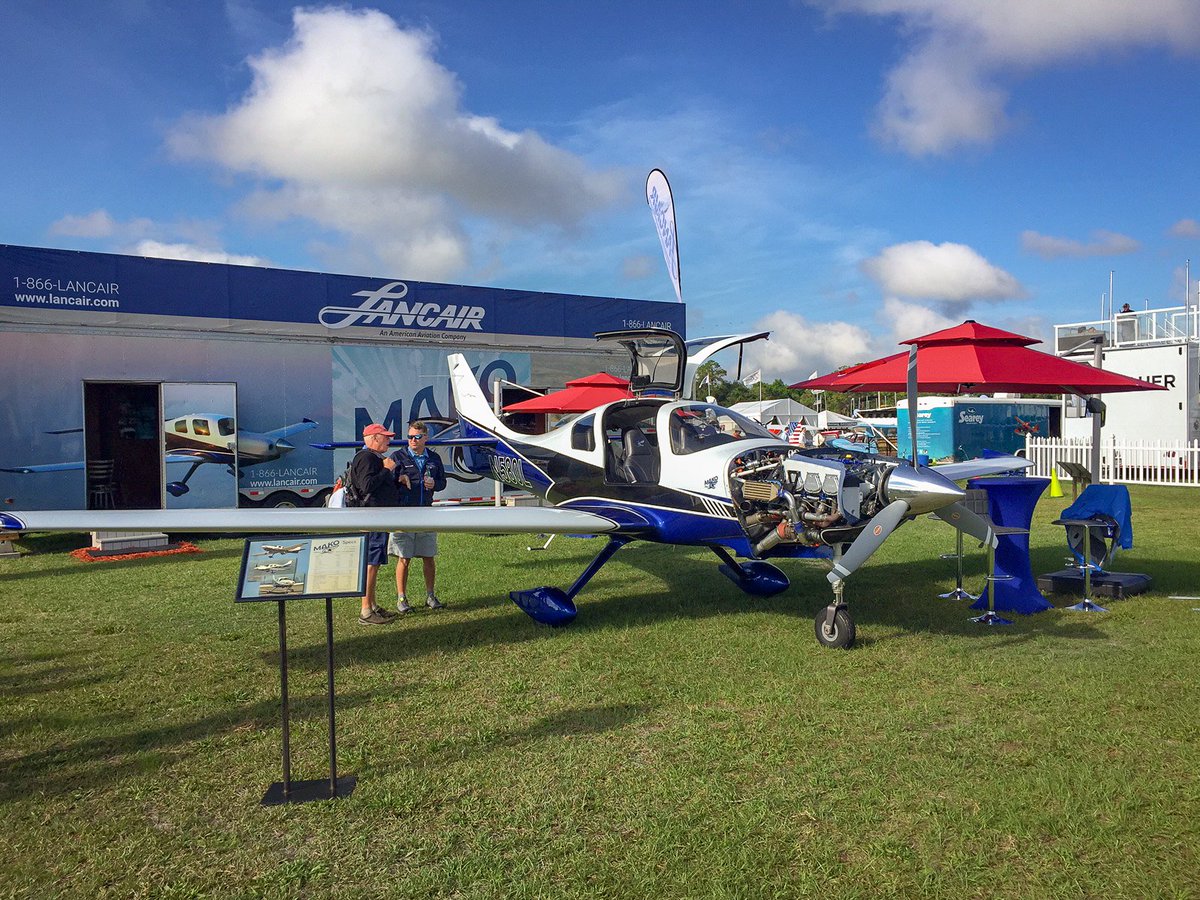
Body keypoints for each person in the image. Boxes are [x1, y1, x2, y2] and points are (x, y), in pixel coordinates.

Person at [350, 423, 407, 625]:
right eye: (385, 437)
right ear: (374, 438)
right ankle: (366, 610)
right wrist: (386, 469)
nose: (389, 441)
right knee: (371, 564)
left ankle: (372, 605)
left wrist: (396, 478)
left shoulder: (370, 457)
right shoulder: (366, 458)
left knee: (374, 562)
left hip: (377, 518)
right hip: (372, 519)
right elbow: (367, 486)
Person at [389, 421, 448, 612]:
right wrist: (398, 478)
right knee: (404, 558)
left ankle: (430, 596)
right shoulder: (397, 456)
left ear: (425, 438)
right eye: (409, 437)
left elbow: (443, 483)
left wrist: (435, 484)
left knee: (428, 556)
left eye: (416, 437)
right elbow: (385, 480)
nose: (412, 441)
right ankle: (401, 599)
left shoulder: (434, 458)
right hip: (404, 514)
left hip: (426, 512)